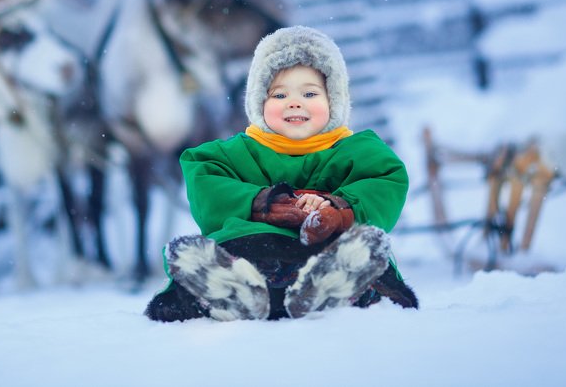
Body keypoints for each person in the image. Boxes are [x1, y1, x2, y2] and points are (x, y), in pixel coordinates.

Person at [144, 25, 418, 322]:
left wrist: (340, 209)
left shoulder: (355, 150)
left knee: (359, 248)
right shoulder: (236, 153)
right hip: (256, 250)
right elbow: (206, 183)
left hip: (326, 247)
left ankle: (334, 281)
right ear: (259, 102)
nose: (294, 102)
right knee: (238, 248)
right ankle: (231, 286)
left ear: (334, 99)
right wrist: (260, 202)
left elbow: (385, 181)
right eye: (279, 95)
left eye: (310, 93)